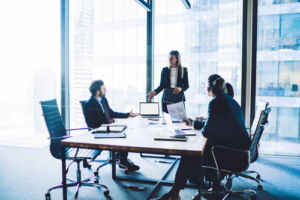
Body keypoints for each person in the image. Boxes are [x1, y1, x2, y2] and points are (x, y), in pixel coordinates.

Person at [155, 74, 251, 200]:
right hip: (239, 151)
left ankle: (175, 192)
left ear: (208, 89)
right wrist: (195, 123)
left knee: (189, 153)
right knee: (195, 152)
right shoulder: (230, 100)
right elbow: (217, 126)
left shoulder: (215, 102)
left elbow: (208, 132)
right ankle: (207, 184)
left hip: (231, 154)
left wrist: (200, 125)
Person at [84, 80, 140, 172]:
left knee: (124, 132)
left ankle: (120, 158)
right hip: (98, 133)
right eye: (103, 88)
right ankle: (123, 160)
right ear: (98, 91)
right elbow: (91, 124)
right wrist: (107, 123)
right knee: (122, 137)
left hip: (106, 129)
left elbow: (111, 113)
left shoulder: (103, 100)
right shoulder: (89, 104)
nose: (106, 89)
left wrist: (128, 115)